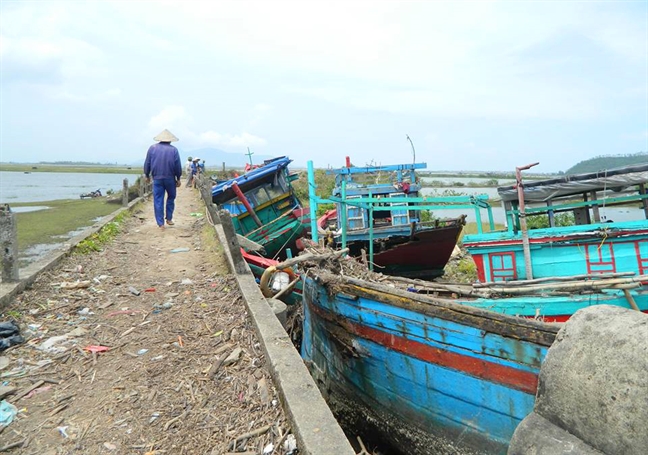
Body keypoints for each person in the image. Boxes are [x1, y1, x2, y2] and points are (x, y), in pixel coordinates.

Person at [144, 129, 183, 228]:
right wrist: (178, 178)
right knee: (171, 197)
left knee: (158, 199)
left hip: (157, 178)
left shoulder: (152, 148)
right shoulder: (174, 150)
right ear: (170, 140)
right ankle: (169, 218)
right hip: (170, 178)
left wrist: (147, 175)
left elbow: (147, 163)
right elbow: (177, 165)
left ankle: (160, 223)